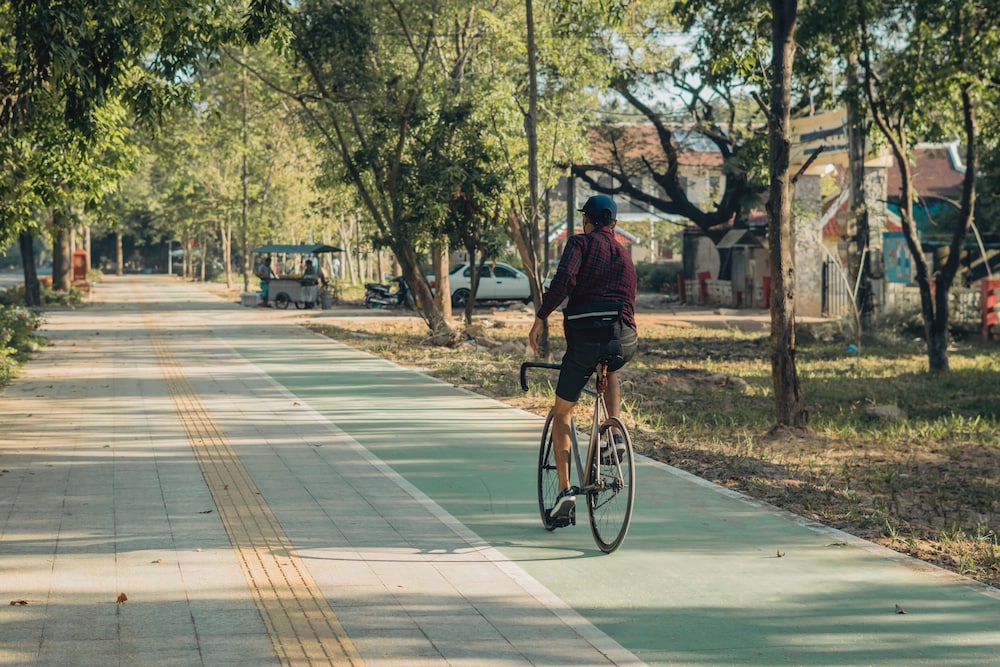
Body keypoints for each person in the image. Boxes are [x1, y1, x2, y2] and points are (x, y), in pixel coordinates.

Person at [528, 194, 638, 523]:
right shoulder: (625, 255)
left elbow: (565, 281)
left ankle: (565, 493)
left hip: (585, 340)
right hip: (624, 339)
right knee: (611, 368)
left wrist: (541, 315)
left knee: (562, 414)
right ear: (614, 223)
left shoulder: (580, 243)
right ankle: (614, 433)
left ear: (585, 221)